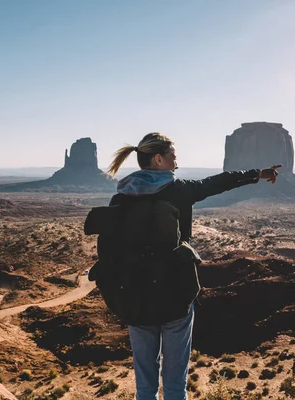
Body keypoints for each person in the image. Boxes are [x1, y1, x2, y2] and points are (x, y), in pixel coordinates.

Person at [106, 132, 281, 400]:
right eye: (173, 157)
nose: (176, 162)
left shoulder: (120, 197)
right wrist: (257, 173)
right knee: (175, 385)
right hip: (174, 295)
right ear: (158, 159)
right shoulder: (179, 191)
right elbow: (219, 183)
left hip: (136, 298)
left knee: (145, 387)